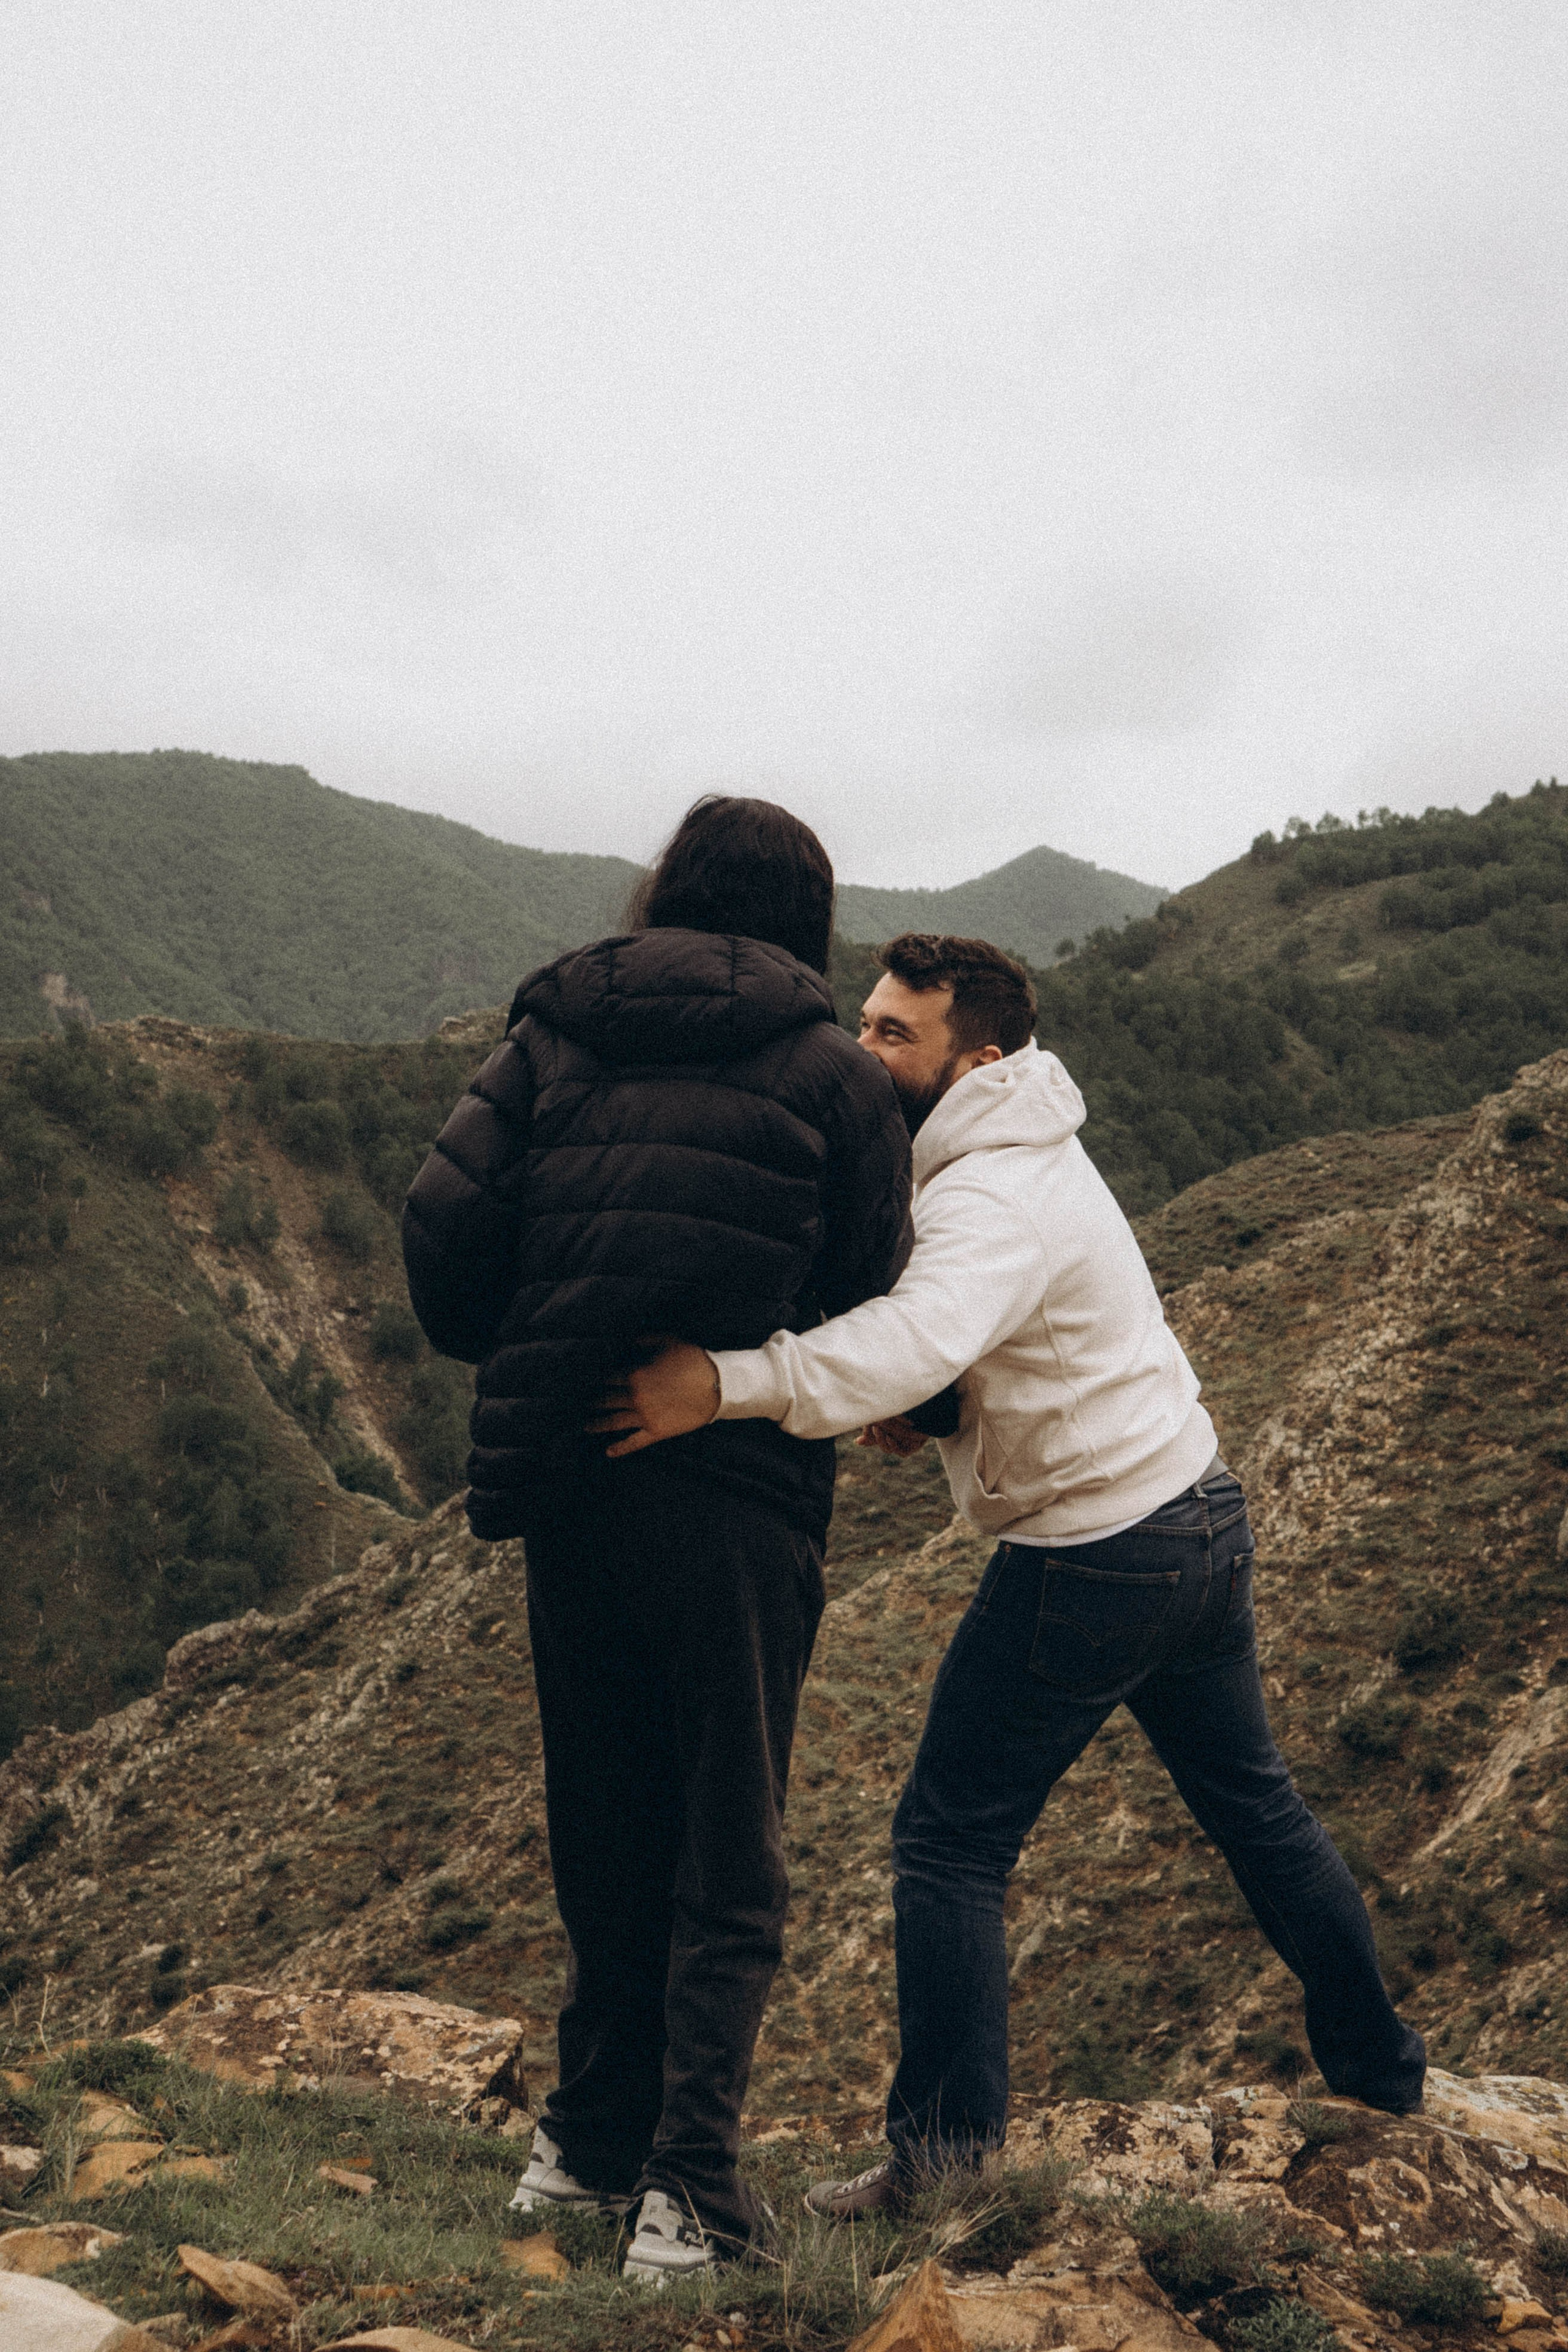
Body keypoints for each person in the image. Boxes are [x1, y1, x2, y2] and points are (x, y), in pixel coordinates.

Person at [592, 930, 1427, 2214]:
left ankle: (940, 2164)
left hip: (1094, 1553)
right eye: (861, 1021)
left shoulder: (985, 1190)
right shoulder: (1020, 1140)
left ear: (970, 1057)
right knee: (1256, 1811)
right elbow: (980, 1338)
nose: (861, 1051)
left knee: (946, 1844)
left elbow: (922, 1328)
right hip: (1194, 1510)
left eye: (891, 1035)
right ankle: (1383, 2075)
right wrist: (938, 1402)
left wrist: (724, 1383)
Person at [401, 798, 913, 2279]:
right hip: (739, 1498)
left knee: (603, 1817)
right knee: (725, 1846)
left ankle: (580, 2152)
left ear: (666, 895)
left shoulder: (551, 1035)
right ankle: (686, 2199)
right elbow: (866, 1286)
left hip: (570, 1480)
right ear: (803, 921)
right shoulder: (831, 1075)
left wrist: (544, 1340)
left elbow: (441, 1240)